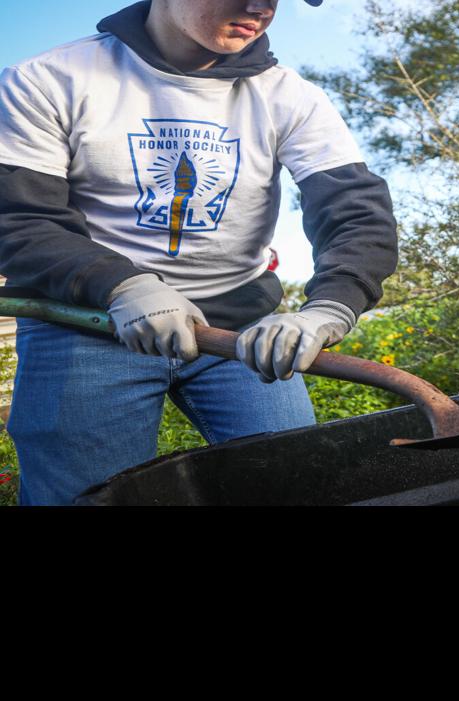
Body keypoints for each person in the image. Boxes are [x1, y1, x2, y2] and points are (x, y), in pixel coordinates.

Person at [0, 0, 397, 504]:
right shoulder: (49, 79)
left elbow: (357, 213)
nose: (261, 7)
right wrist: (123, 286)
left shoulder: (291, 98)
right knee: (87, 499)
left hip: (239, 333)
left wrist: (328, 306)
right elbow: (19, 218)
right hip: (86, 325)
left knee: (297, 483)